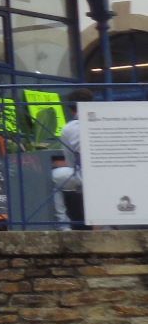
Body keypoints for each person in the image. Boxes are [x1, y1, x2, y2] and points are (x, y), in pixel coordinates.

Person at [52, 88, 91, 230]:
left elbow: (70, 162)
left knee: (52, 178)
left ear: (71, 108)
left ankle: (64, 226)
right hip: (108, 173)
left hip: (84, 176)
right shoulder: (103, 121)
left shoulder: (69, 128)